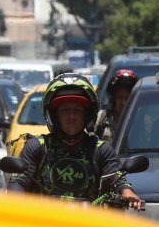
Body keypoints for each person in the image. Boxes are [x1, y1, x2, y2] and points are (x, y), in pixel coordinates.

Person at [8, 73, 143, 209]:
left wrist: (126, 191)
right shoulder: (37, 147)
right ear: (54, 115)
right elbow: (19, 181)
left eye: (77, 110)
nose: (72, 116)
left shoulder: (100, 149)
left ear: (87, 114)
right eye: (65, 110)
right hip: (44, 225)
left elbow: (116, 175)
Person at [95, 69, 138, 140]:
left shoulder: (140, 121)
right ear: (113, 99)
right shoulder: (101, 119)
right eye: (120, 98)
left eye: (127, 98)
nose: (124, 103)